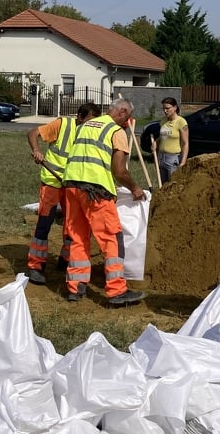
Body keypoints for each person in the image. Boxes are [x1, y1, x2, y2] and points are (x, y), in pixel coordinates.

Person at [61, 97, 147, 305]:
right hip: (95, 190)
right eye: (128, 117)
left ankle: (75, 287)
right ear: (122, 112)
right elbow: (119, 171)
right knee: (111, 238)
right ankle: (117, 291)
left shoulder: (86, 125)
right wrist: (135, 188)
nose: (127, 122)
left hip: (72, 186)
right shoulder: (116, 132)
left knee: (78, 237)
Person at [25, 102, 102, 285]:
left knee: (73, 226)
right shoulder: (63, 125)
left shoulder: (93, 132)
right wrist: (37, 150)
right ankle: (35, 266)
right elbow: (33, 133)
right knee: (45, 222)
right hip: (52, 182)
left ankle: (66, 259)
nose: (90, 125)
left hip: (73, 184)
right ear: (80, 117)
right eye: (88, 121)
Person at [150, 97, 189, 184]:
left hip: (172, 159)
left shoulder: (181, 122)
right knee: (162, 185)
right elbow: (164, 136)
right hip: (161, 157)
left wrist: (183, 161)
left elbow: (185, 143)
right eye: (163, 108)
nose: (165, 111)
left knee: (173, 185)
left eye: (167, 108)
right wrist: (156, 142)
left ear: (175, 108)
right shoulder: (163, 121)